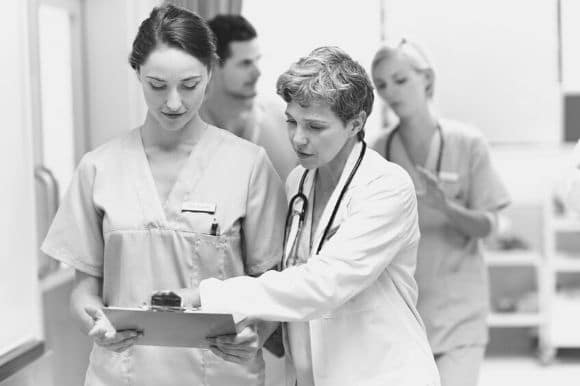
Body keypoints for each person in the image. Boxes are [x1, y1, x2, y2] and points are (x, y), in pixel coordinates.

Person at [41, 5, 286, 385]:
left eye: (190, 85)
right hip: (120, 375)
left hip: (220, 374)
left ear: (210, 73)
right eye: (157, 85)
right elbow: (84, 289)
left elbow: (271, 284)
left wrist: (258, 333)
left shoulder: (250, 166)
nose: (174, 102)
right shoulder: (98, 168)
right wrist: (95, 321)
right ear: (137, 72)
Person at [177, 46, 441, 386]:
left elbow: (323, 285)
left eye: (315, 126)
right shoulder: (298, 182)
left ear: (355, 123)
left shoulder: (386, 187)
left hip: (382, 374)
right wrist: (256, 331)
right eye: (291, 121)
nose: (298, 138)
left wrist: (208, 295)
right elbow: (292, 278)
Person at [370, 40, 511, 386]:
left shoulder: (468, 143)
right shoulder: (379, 151)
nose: (391, 92)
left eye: (400, 80)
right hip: (401, 312)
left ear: (428, 80)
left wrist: (445, 206)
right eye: (382, 85)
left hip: (459, 313)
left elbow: (488, 226)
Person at [200, 14, 297, 180]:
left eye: (256, 61)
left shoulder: (287, 120)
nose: (257, 72)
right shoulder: (184, 129)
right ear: (213, 65)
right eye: (245, 63)